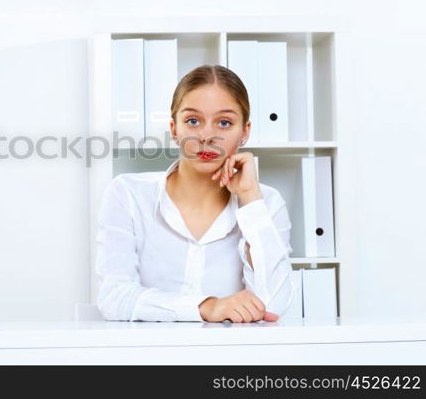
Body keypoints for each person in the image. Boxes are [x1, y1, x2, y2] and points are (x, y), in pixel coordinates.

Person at [95, 65, 296, 323]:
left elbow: (274, 306)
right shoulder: (127, 194)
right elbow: (114, 297)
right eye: (193, 121)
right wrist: (206, 307)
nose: (207, 136)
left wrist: (249, 199)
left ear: (245, 131)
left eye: (224, 123)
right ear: (174, 128)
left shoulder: (265, 203)